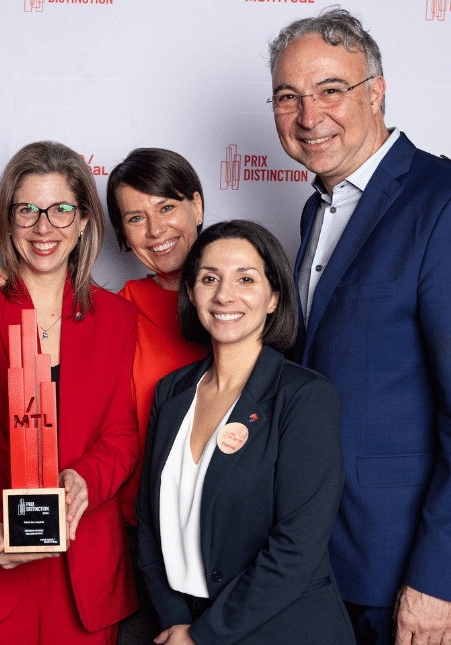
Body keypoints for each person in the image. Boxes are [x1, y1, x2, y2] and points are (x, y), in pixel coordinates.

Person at [267, 8, 451, 643]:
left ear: (376, 91)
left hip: (408, 573)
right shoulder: (317, 210)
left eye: (330, 90)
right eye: (288, 97)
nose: (309, 116)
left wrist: (438, 579)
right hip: (325, 563)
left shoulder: (440, 201)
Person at [0, 141, 139, 645]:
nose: (43, 227)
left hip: (84, 580)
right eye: (27, 210)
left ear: (85, 221)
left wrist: (85, 481)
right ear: (8, 221)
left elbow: (122, 433)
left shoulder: (117, 318)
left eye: (60, 210)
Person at [136, 220, 355, 645]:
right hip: (181, 628)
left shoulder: (305, 397)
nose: (224, 295)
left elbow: (295, 549)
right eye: (209, 278)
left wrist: (203, 635)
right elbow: (149, 524)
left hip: (283, 630)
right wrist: (176, 624)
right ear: (191, 292)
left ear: (274, 297)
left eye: (246, 279)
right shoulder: (173, 391)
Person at [105, 149, 210, 644]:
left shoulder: (249, 298)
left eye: (167, 207)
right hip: (149, 544)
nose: (155, 230)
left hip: (235, 541)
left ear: (197, 205)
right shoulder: (119, 311)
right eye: (135, 218)